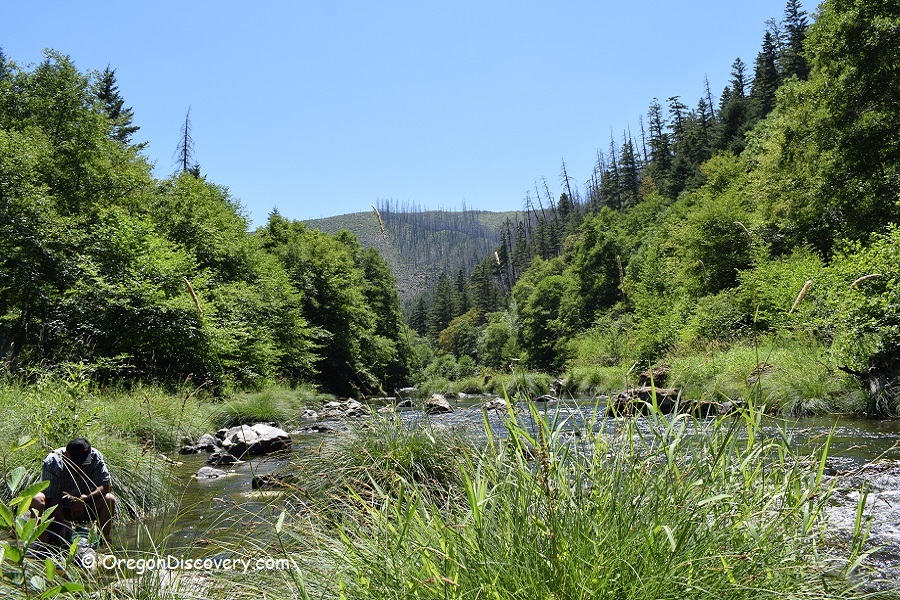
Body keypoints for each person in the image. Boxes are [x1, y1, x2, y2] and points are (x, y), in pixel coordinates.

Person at [30, 437, 116, 545]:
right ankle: (41, 545)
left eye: (83, 462)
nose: (80, 466)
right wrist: (63, 521)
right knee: (37, 499)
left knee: (109, 499)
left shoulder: (95, 456)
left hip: (84, 505)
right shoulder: (53, 461)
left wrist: (85, 498)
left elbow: (107, 486)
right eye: (76, 462)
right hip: (56, 508)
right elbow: (52, 498)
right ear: (67, 455)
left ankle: (101, 541)